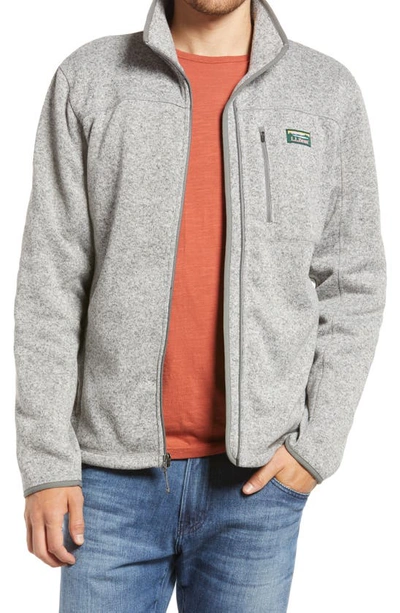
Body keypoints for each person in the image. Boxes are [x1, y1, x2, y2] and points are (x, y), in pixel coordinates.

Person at [14, 0, 386, 610]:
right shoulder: (90, 79)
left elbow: (353, 283)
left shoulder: (325, 92)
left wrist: (315, 449)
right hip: (106, 484)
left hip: (256, 489)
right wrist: (47, 464)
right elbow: (49, 284)